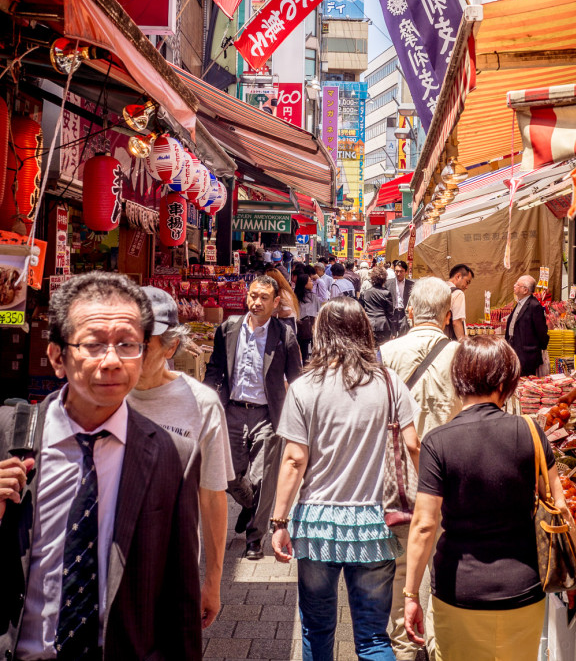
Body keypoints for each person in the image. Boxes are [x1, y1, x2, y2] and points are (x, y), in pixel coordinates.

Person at [0, 272, 202, 660]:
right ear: (58, 356)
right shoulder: (6, 435)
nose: (112, 361)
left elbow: (181, 597)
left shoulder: (171, 455)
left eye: (128, 344)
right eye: (93, 344)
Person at [403, 336, 576, 661]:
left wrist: (409, 595)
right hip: (523, 587)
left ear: (458, 379)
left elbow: (423, 526)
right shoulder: (531, 432)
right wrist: (575, 576)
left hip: (458, 588)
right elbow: (560, 508)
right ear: (507, 381)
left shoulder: (437, 442)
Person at [271, 297, 420, 661]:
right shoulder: (388, 382)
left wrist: (278, 521)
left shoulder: (305, 388)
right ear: (364, 332)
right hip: (374, 524)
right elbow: (414, 444)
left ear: (322, 333)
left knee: (316, 629)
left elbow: (293, 460)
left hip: (318, 524)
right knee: (372, 636)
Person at [127, 286, 235, 628]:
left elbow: (213, 496)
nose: (130, 353)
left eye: (143, 345)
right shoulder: (97, 397)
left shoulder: (201, 403)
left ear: (171, 346)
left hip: (171, 574)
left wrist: (212, 581)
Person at [380, 277, 462, 661]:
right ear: (448, 316)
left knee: (400, 571)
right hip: (449, 482)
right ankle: (436, 644)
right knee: (444, 563)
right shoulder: (462, 357)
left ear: (410, 313)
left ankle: (404, 648)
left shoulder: (385, 354)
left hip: (399, 482)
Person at [204, 275, 302, 559]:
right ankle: (249, 508)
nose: (256, 302)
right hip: (232, 411)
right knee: (229, 476)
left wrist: (297, 417)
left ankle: (254, 539)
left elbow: (295, 379)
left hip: (267, 416)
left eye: (263, 298)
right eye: (253, 296)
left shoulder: (284, 335)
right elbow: (215, 369)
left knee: (262, 480)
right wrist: (210, 401)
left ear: (275, 303)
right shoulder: (228, 329)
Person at [505, 275, 549, 377]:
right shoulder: (520, 303)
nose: (514, 285)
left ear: (525, 290)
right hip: (515, 350)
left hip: (527, 355)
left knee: (525, 384)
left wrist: (536, 349)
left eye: (517, 284)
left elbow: (541, 332)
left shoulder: (534, 306)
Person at [360, 265, 395, 346]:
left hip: (369, 324)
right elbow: (390, 314)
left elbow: (361, 310)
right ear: (384, 279)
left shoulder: (365, 293)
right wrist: (393, 330)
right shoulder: (386, 293)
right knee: (383, 351)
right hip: (383, 325)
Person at [386, 260, 415, 338]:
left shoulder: (411, 285)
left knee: (404, 336)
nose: (398, 274)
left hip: (404, 313)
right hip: (392, 313)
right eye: (396, 271)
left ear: (406, 271)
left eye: (401, 271)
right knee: (391, 336)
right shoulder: (388, 283)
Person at [266, 267, 300, 332]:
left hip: (284, 328)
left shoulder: (282, 293)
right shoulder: (279, 292)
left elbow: (287, 311)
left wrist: (272, 315)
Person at [295, 273, 320, 363]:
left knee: (302, 350)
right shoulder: (312, 296)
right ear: (305, 283)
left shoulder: (295, 296)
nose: (312, 283)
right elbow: (318, 312)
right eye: (310, 281)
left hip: (299, 326)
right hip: (310, 325)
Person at [445, 263, 474, 340]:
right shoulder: (458, 293)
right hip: (450, 341)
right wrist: (463, 344)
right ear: (458, 276)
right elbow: (456, 322)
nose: (467, 287)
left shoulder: (440, 289)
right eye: (467, 282)